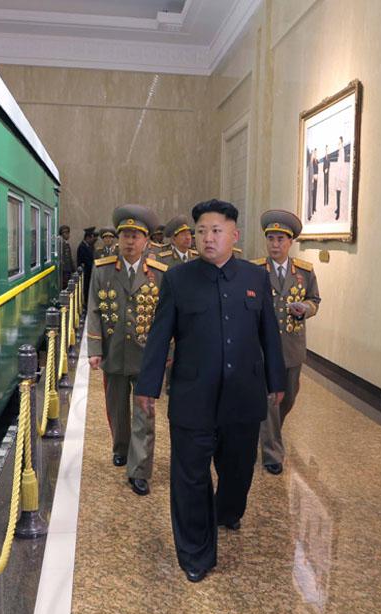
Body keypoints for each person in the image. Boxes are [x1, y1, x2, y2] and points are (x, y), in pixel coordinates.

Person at [135, 199, 286, 583]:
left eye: (216, 231)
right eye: (201, 231)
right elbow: (159, 337)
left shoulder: (254, 278)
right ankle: (195, 553)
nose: (207, 238)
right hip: (193, 398)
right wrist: (147, 387)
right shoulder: (178, 280)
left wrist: (277, 381)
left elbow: (269, 333)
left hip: (242, 398)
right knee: (190, 477)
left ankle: (228, 511)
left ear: (234, 235)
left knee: (238, 473)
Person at [86, 205, 167, 497]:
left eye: (135, 236)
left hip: (146, 356)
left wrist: (167, 352)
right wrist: (94, 348)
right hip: (114, 353)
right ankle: (120, 448)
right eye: (125, 235)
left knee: (145, 412)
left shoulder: (159, 274)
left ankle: (140, 470)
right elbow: (94, 310)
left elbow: (165, 317)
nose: (129, 241)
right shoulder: (103, 269)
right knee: (117, 409)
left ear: (146, 241)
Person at [251, 210, 321, 475]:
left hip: (292, 347)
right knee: (270, 399)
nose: (275, 244)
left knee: (288, 398)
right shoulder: (255, 270)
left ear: (290, 242)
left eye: (280, 239)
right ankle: (272, 453)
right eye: (271, 238)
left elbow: (315, 299)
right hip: (262, 348)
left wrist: (306, 308)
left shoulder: (304, 271)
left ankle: (268, 431)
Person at [77, 227, 98, 303]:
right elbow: (86, 260)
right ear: (87, 238)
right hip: (86, 272)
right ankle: (86, 303)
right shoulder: (82, 247)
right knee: (86, 288)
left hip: (89, 271)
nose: (93, 240)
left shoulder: (88, 246)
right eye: (92, 238)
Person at [333, 137, 346, 220]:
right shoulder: (340, 152)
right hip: (338, 177)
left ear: (341, 143)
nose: (338, 145)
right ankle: (337, 209)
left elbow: (342, 166)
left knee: (338, 195)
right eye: (338, 144)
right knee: (337, 194)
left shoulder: (342, 152)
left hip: (340, 178)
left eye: (339, 143)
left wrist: (340, 179)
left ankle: (338, 213)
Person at [308, 148, 319, 218]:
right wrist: (314, 176)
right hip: (313, 179)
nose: (315, 154)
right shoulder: (312, 162)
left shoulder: (316, 161)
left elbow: (317, 170)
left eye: (316, 153)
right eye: (315, 153)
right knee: (312, 194)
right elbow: (312, 171)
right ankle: (312, 208)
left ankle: (314, 207)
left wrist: (317, 175)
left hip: (316, 179)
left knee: (315, 193)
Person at [322, 144, 331, 209]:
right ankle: (324, 202)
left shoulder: (329, 158)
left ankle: (327, 201)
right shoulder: (324, 158)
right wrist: (324, 170)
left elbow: (329, 165)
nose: (326, 150)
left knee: (327, 188)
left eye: (327, 149)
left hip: (327, 175)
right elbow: (323, 167)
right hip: (324, 175)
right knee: (324, 188)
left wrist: (327, 169)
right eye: (326, 149)